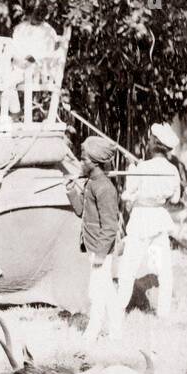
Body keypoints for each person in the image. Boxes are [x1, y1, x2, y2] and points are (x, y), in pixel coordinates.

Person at [115, 123, 180, 331]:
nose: (148, 141)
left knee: (128, 268)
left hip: (141, 220)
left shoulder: (140, 168)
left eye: (150, 139)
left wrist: (132, 174)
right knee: (162, 269)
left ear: (154, 144)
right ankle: (163, 314)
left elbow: (127, 198)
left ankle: (118, 309)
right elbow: (176, 198)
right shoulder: (172, 170)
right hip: (159, 219)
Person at [65, 136, 122, 344]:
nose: (81, 163)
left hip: (101, 249)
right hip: (92, 246)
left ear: (94, 162)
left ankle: (93, 333)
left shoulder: (105, 188)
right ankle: (116, 332)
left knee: (98, 292)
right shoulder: (90, 183)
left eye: (83, 160)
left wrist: (100, 255)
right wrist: (71, 189)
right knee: (104, 290)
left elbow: (110, 226)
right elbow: (81, 212)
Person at [3, 2, 60, 122]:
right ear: (30, 13)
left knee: (7, 81)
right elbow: (14, 48)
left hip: (35, 71)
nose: (39, 15)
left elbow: (48, 54)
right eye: (36, 12)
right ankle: (12, 112)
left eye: (41, 12)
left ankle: (15, 114)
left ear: (45, 14)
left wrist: (30, 58)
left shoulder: (49, 31)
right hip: (17, 66)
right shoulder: (21, 28)